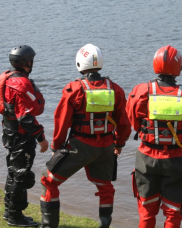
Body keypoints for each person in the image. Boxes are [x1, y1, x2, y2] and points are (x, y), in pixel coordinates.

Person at [39, 44, 132, 228]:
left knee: (48, 180)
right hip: (106, 147)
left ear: (80, 63)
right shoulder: (116, 89)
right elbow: (124, 122)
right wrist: (119, 144)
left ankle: (49, 226)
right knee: (105, 187)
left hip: (79, 146)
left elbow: (61, 121)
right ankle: (105, 225)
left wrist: (56, 148)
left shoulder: (74, 89)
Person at [126, 45, 182, 228]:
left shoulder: (140, 92)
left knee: (146, 211)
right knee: (173, 212)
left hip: (146, 158)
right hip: (176, 161)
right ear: (179, 68)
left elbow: (134, 122)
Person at [0, 45, 49, 227]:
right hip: (21, 136)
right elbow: (25, 118)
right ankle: (14, 217)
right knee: (21, 175)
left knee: (13, 173)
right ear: (27, 62)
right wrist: (42, 138)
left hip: (9, 132)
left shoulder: (8, 78)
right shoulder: (21, 83)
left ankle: (10, 211)